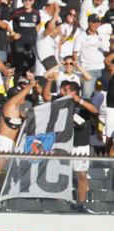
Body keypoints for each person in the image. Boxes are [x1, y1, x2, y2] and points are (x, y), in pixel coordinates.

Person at [42, 79, 98, 212]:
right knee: (61, 174)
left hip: (81, 145)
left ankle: (81, 203)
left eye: (65, 90)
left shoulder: (84, 102)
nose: (62, 92)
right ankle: (60, 202)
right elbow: (46, 96)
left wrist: (79, 101)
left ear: (73, 92)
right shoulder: (61, 101)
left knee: (81, 175)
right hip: (64, 143)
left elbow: (95, 111)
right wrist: (49, 80)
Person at [73, 14, 106, 98]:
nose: (96, 24)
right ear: (88, 23)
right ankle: (84, 111)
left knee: (104, 93)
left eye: (98, 22)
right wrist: (79, 69)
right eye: (94, 22)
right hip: (88, 69)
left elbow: (106, 50)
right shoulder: (81, 36)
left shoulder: (101, 35)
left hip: (102, 69)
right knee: (87, 96)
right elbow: (75, 53)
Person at [10, 0, 40, 74]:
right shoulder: (16, 12)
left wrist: (35, 35)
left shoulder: (36, 13)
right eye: (25, 0)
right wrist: (13, 33)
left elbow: (38, 24)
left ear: (33, 1)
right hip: (19, 45)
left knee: (31, 68)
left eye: (30, 0)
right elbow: (7, 22)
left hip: (31, 45)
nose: (27, 2)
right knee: (18, 69)